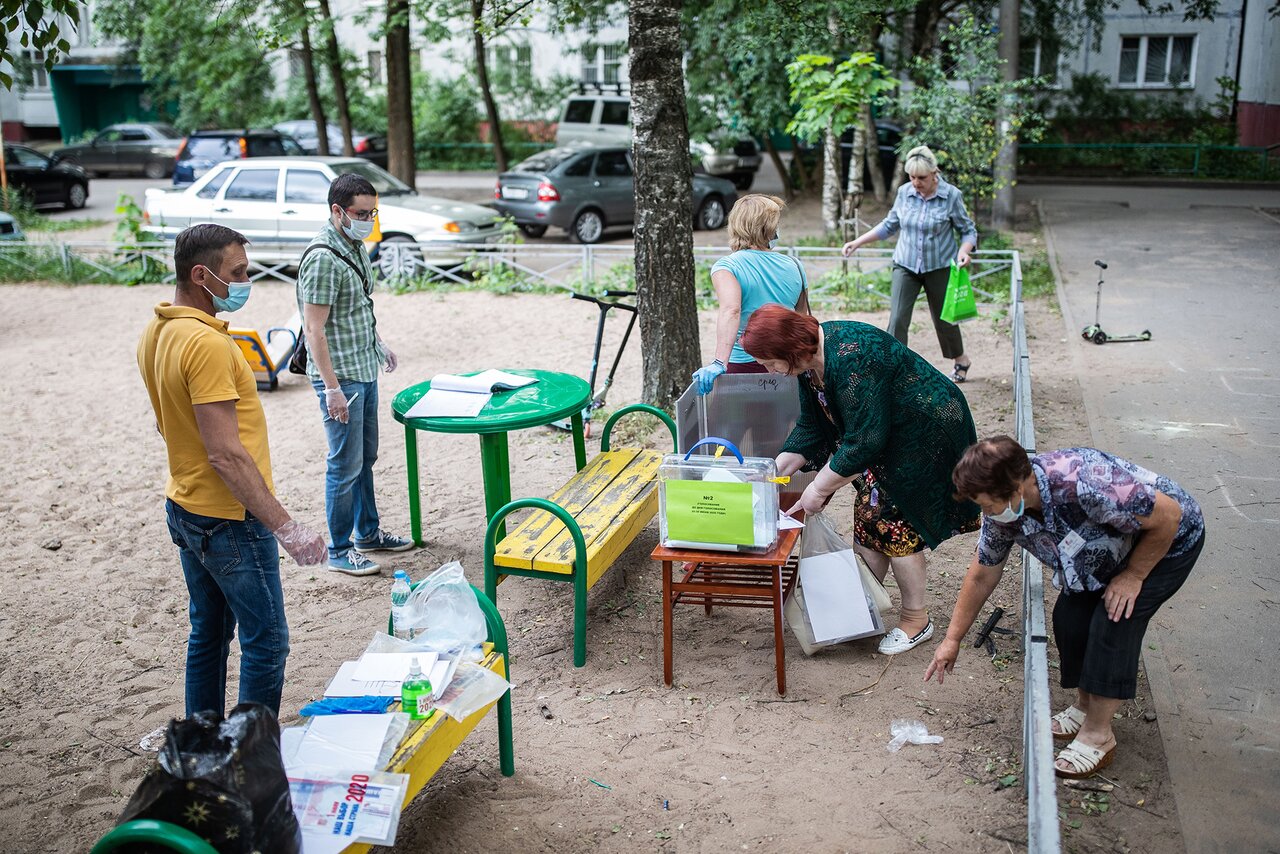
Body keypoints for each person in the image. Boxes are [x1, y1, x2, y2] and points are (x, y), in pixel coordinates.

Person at [926, 436, 1205, 779]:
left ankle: (1098, 734)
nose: (985, 513)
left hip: (1166, 540)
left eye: (987, 505)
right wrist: (952, 639)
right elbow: (983, 573)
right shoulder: (1004, 515)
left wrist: (1134, 575)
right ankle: (1085, 705)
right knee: (1070, 618)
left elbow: (1169, 515)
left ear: (1016, 486)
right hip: (1101, 552)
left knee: (1113, 620)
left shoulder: (1083, 483)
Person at [137, 223, 327, 718]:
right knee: (267, 644)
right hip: (230, 520)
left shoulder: (157, 331)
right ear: (201, 275)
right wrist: (285, 526)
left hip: (184, 504)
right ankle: (248, 758)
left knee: (208, 635)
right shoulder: (208, 346)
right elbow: (225, 454)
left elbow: (169, 425)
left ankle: (204, 741)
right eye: (237, 273)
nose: (246, 281)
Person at [741, 304, 980, 654]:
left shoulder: (854, 357)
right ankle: (862, 607)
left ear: (789, 349)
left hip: (924, 432)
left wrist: (817, 489)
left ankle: (916, 620)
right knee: (870, 516)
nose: (768, 369)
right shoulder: (809, 365)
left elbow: (866, 441)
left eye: (769, 361)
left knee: (897, 520)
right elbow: (811, 426)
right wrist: (775, 470)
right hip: (885, 436)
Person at [298, 173, 413, 576]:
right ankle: (340, 549)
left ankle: (368, 533)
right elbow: (314, 329)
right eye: (361, 213)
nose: (367, 219)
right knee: (343, 465)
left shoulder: (355, 245)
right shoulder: (323, 258)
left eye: (372, 212)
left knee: (365, 458)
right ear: (337, 211)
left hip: (363, 366)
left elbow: (358, 307)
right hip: (340, 377)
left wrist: (379, 343)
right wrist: (331, 390)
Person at [840, 145, 978, 383]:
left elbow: (968, 230)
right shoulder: (905, 192)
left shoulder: (951, 195)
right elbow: (889, 225)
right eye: (912, 177)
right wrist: (858, 242)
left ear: (934, 173)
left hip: (940, 265)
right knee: (898, 318)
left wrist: (964, 252)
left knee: (945, 319)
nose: (916, 182)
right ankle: (891, 368)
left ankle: (961, 359)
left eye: (921, 178)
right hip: (905, 264)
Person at [692, 194, 810, 394]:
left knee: (737, 424)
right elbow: (802, 319)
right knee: (784, 423)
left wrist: (719, 362)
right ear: (769, 228)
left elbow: (731, 310)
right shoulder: (796, 266)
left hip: (741, 364)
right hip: (785, 364)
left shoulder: (727, 266)